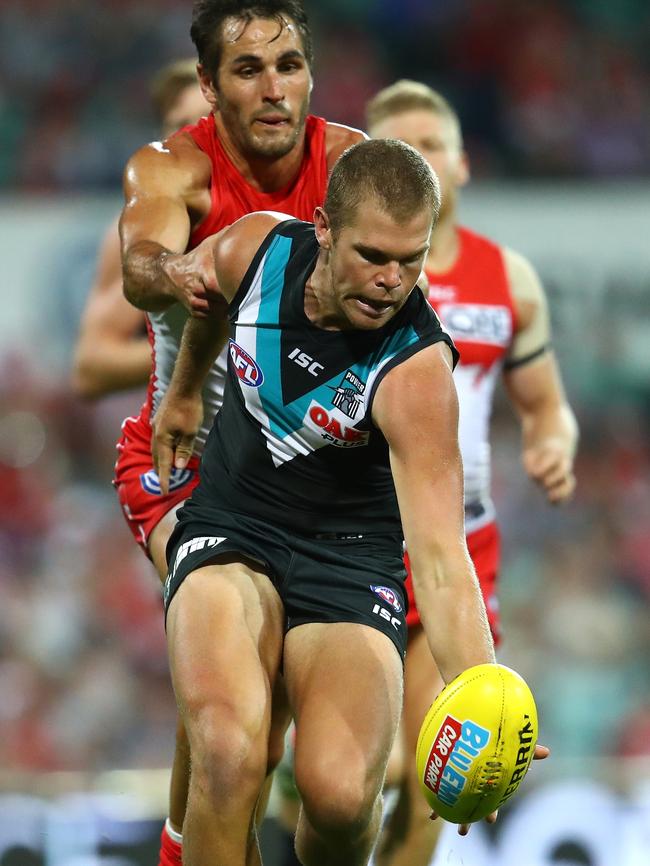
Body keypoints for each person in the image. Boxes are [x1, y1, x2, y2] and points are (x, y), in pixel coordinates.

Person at [151, 137, 498, 866]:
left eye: (412, 259)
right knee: (227, 749)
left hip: (348, 563)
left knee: (340, 801)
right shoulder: (254, 249)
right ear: (324, 228)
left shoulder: (417, 369)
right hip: (230, 528)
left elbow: (438, 558)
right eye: (374, 255)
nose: (392, 281)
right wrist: (185, 391)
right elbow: (208, 297)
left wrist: (484, 696)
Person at [115, 1, 364, 862]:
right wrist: (175, 268)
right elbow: (140, 269)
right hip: (182, 465)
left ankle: (191, 843)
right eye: (248, 70)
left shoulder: (353, 169)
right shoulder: (170, 167)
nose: (273, 89)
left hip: (300, 475)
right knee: (235, 733)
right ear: (209, 86)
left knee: (258, 744)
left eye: (288, 65)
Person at [366, 80, 578, 866]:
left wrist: (553, 442)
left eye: (433, 141)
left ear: (461, 164)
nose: (421, 154)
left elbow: (547, 404)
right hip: (359, 540)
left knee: (436, 770)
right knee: (364, 771)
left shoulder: (508, 280)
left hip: (462, 545)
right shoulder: (360, 277)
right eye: (401, 143)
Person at [72, 59, 209, 399]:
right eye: (176, 126)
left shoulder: (291, 212)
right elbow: (90, 368)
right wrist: (204, 351)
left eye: (204, 124)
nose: (186, 139)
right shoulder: (143, 231)